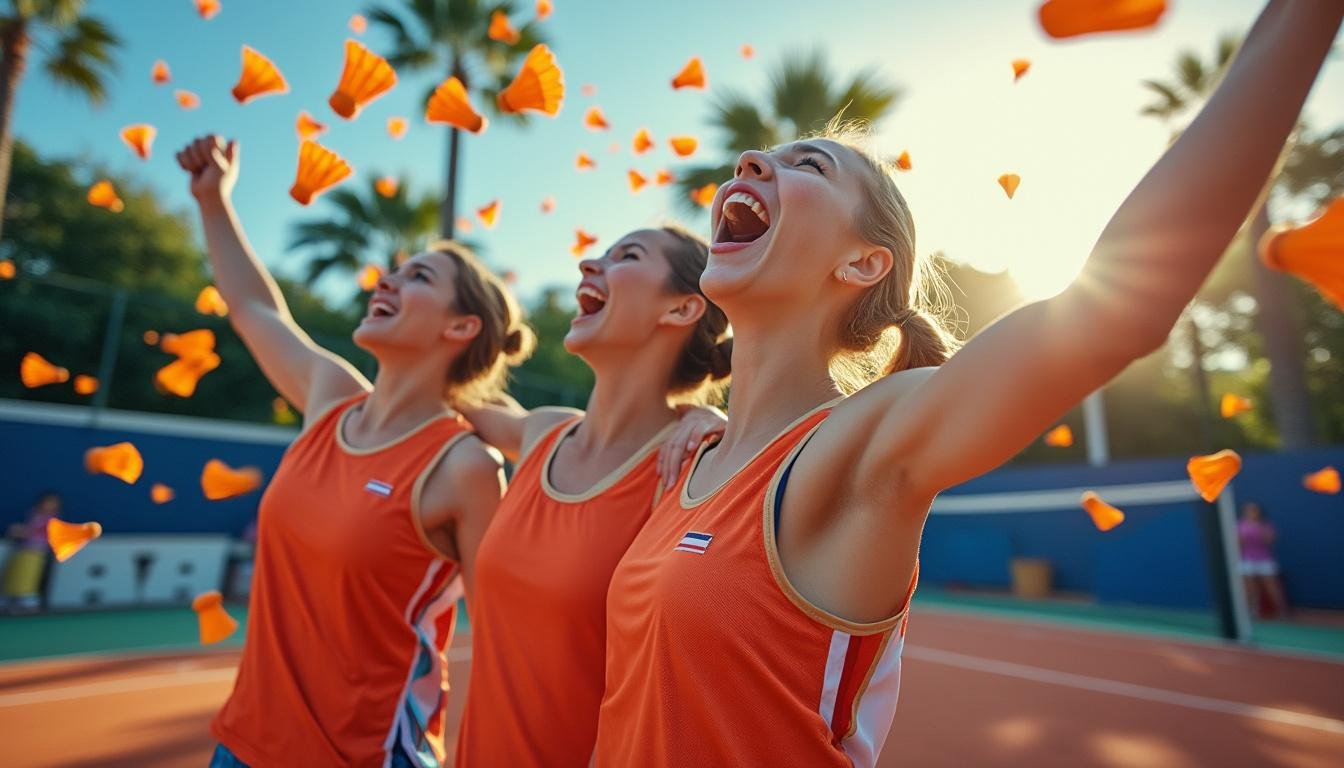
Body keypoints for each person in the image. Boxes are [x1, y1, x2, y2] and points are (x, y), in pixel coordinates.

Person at [594, 3, 1344, 765]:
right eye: (766, 157)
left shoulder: (865, 440)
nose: (751, 161)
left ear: (862, 263)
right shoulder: (690, 461)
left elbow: (1119, 315)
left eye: (809, 165)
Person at [174, 134, 533, 768]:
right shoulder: (329, 398)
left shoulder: (464, 466)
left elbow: (501, 642)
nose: (386, 281)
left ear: (461, 326)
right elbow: (254, 307)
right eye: (394, 271)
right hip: (243, 746)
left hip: (368, 755)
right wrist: (213, 199)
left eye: (418, 277)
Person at [453, 226, 730, 767]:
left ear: (681, 308)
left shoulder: (692, 467)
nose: (588, 264)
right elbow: (446, 394)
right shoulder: (543, 432)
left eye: (627, 255)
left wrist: (718, 423)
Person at [2, 491, 60, 613]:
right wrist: (19, 532)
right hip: (23, 551)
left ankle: (27, 600)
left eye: (52, 503)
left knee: (30, 577)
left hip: (38, 554)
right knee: (15, 574)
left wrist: (26, 533)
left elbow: (44, 535)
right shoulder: (33, 515)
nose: (48, 505)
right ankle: (10, 599)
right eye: (47, 502)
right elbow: (27, 531)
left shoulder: (52, 521)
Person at [1238, 502, 1287, 618]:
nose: (1252, 513)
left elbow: (1270, 541)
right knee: (1249, 589)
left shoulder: (1265, 525)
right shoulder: (1240, 525)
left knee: (1272, 587)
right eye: (1249, 510)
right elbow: (1238, 544)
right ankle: (1252, 612)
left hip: (1265, 559)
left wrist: (1260, 532)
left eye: (1254, 510)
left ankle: (1282, 612)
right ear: (1245, 512)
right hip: (1247, 560)